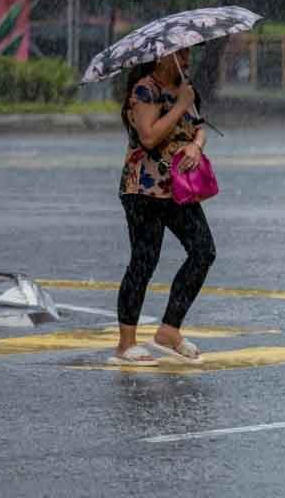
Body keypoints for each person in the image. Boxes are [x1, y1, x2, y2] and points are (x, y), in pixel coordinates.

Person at [109, 47, 215, 366]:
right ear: (160, 58)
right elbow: (149, 136)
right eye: (179, 56)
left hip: (176, 188)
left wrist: (196, 146)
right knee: (144, 260)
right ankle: (126, 343)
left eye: (187, 56)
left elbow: (200, 126)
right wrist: (181, 103)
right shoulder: (145, 89)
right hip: (142, 188)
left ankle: (169, 330)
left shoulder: (183, 87)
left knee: (203, 250)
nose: (185, 61)